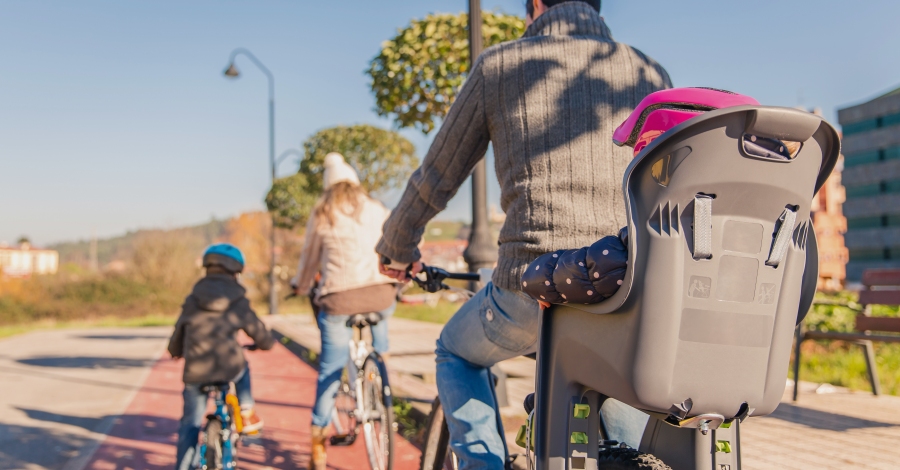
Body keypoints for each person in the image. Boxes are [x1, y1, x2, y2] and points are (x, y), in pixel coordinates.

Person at [376, 0, 672, 467]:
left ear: (535, 5)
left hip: (532, 287)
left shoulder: (500, 65)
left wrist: (396, 247)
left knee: (455, 352)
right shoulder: (649, 73)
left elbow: (436, 175)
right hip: (626, 289)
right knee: (620, 430)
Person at [291, 152, 398, 470]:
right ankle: (382, 375)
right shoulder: (377, 207)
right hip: (380, 294)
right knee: (381, 325)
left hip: (339, 299)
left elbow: (309, 258)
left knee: (330, 369)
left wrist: (300, 285)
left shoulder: (323, 212)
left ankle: (318, 445)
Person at [168, 243, 275, 470]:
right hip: (229, 367)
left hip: (196, 370)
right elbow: (258, 331)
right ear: (236, 271)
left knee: (189, 424)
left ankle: (184, 466)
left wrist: (175, 351)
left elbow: (179, 331)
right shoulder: (238, 299)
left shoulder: (194, 298)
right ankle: (246, 410)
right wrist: (265, 343)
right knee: (243, 368)